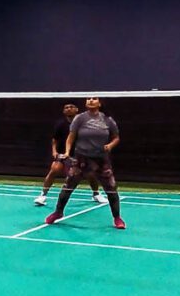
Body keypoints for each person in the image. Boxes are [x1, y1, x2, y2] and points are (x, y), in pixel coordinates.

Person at [45, 97, 125, 229]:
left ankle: (117, 218)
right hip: (81, 158)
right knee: (68, 186)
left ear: (99, 103)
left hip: (101, 159)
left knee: (111, 189)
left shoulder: (107, 120)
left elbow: (116, 137)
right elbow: (71, 137)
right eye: (88, 99)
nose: (91, 100)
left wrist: (110, 145)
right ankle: (58, 212)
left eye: (94, 99)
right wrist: (67, 152)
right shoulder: (80, 118)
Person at [34, 103, 106, 206]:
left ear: (76, 110)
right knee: (54, 170)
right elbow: (55, 139)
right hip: (64, 154)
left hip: (81, 153)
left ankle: (96, 194)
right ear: (64, 111)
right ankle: (43, 195)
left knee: (90, 174)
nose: (69, 109)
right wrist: (54, 152)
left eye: (71, 107)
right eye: (66, 108)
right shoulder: (60, 124)